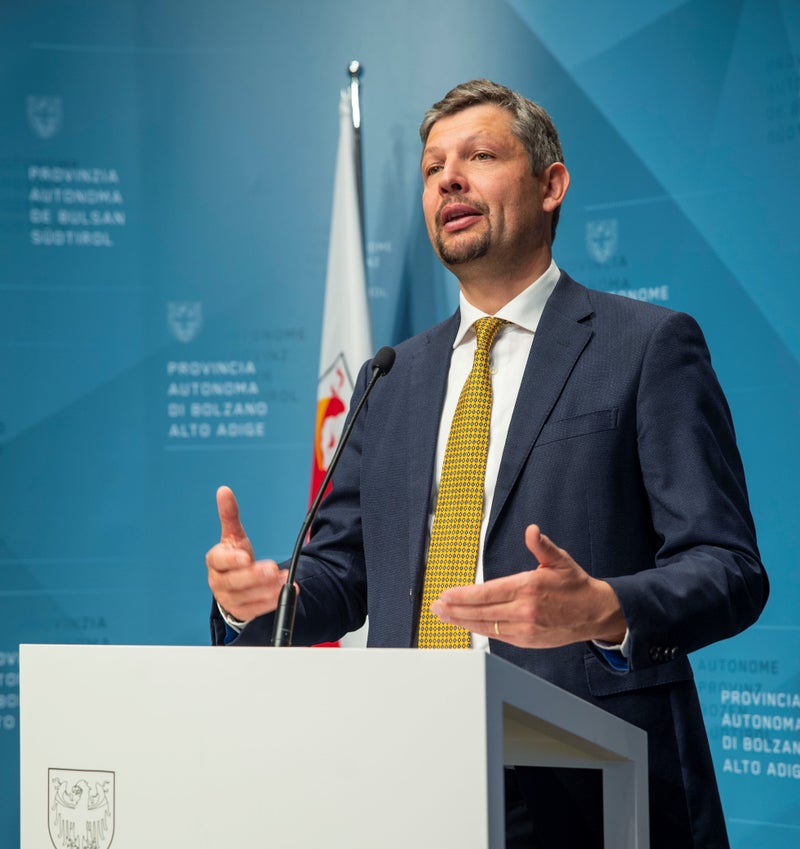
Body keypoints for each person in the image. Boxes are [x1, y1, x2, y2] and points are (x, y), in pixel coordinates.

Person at [206, 79, 768, 848]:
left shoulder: (646, 346)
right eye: (433, 168)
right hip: (409, 776)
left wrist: (606, 605)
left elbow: (729, 567)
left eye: (479, 156)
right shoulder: (391, 376)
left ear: (551, 184)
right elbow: (343, 572)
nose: (449, 180)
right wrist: (267, 599)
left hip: (593, 786)